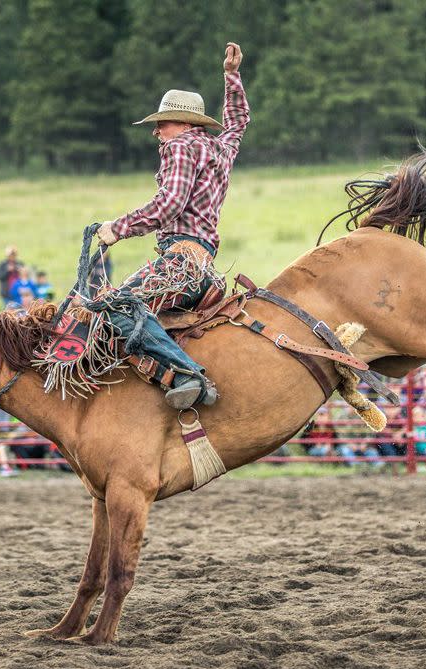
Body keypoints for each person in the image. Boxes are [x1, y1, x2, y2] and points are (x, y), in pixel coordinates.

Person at [97, 42, 249, 409]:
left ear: (183, 124)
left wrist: (118, 228)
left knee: (113, 306)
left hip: (181, 264)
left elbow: (170, 203)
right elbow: (238, 123)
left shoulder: (180, 147)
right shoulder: (219, 149)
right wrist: (232, 77)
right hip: (206, 269)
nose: (157, 131)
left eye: (161, 123)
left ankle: (186, 374)